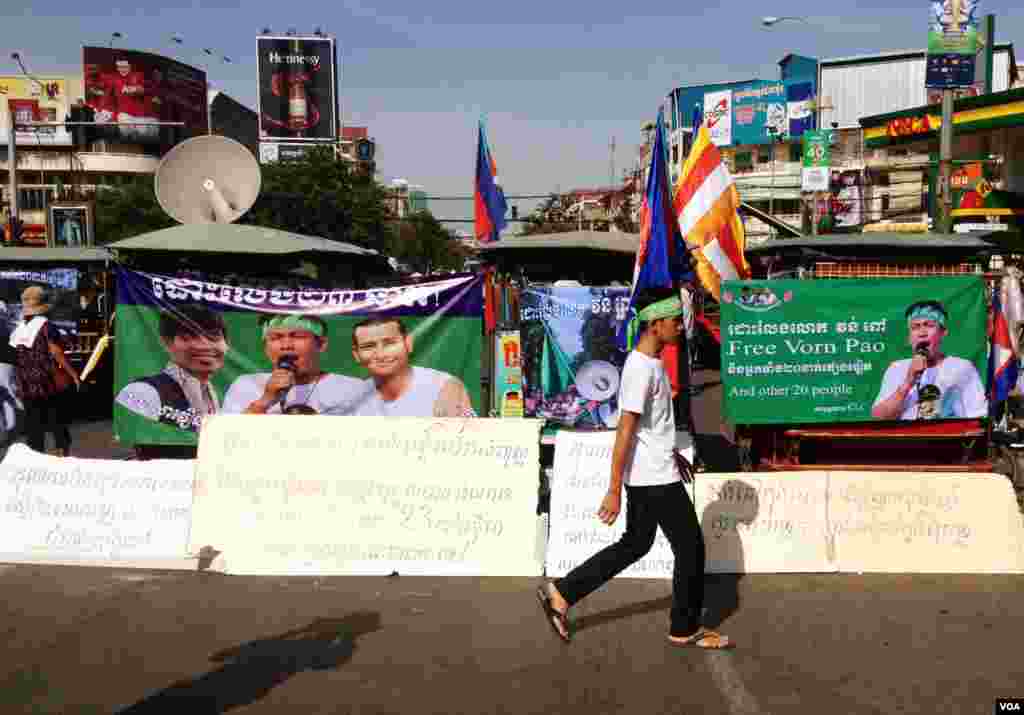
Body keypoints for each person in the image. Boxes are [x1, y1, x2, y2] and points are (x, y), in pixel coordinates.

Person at [535, 290, 732, 649]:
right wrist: (612, 487)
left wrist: (673, 454)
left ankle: (562, 593)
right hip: (653, 478)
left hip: (655, 469)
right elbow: (625, 428)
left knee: (636, 543)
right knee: (690, 548)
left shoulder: (652, 363)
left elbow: (649, 428)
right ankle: (684, 627)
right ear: (656, 324)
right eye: (674, 322)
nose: (679, 328)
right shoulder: (641, 368)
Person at [222, 314, 370, 415]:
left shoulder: (353, 388)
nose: (286, 345)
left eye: (298, 336)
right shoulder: (245, 385)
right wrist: (265, 400)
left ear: (322, 344)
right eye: (275, 338)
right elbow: (225, 439)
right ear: (266, 348)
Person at [115, 303, 228, 433]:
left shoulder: (213, 394)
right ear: (166, 343)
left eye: (213, 336)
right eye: (188, 337)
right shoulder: (142, 392)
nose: (204, 346)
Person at [871, 299, 987, 420]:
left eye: (929, 325)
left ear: (943, 333)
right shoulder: (896, 368)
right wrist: (908, 382)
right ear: (909, 337)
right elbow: (879, 417)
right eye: (915, 327)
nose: (922, 333)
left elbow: (978, 415)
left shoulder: (961, 367)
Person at [350, 317, 476, 417]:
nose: (380, 354)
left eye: (389, 343)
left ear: (408, 344)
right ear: (356, 355)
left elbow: (468, 442)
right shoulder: (352, 397)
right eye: (368, 346)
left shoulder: (443, 387)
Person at [10, 286, 80, 456]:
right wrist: (73, 374)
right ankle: (61, 451)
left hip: (26, 382)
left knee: (33, 424)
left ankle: (36, 457)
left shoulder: (18, 330)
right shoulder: (46, 326)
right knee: (56, 419)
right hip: (47, 380)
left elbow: (15, 356)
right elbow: (56, 352)